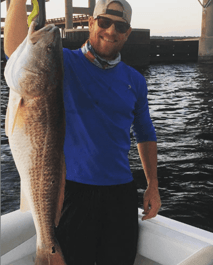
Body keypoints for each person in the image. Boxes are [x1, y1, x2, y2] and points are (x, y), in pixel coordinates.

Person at [4, 0, 161, 264]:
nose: (111, 31)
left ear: (127, 33)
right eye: (104, 22)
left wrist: (153, 185)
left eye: (120, 26)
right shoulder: (63, 62)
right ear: (91, 23)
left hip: (121, 194)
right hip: (71, 192)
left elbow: (145, 132)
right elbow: (15, 48)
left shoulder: (135, 80)